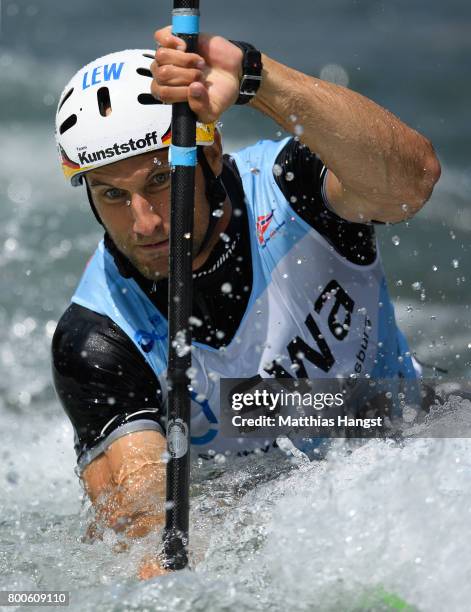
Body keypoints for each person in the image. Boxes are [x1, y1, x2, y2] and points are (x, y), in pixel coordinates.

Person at [52, 26, 441, 578]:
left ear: (209, 150)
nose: (145, 223)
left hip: (406, 427)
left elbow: (415, 180)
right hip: (262, 515)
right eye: (113, 195)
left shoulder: (293, 190)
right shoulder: (96, 337)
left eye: (162, 180)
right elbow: (142, 519)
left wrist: (254, 77)